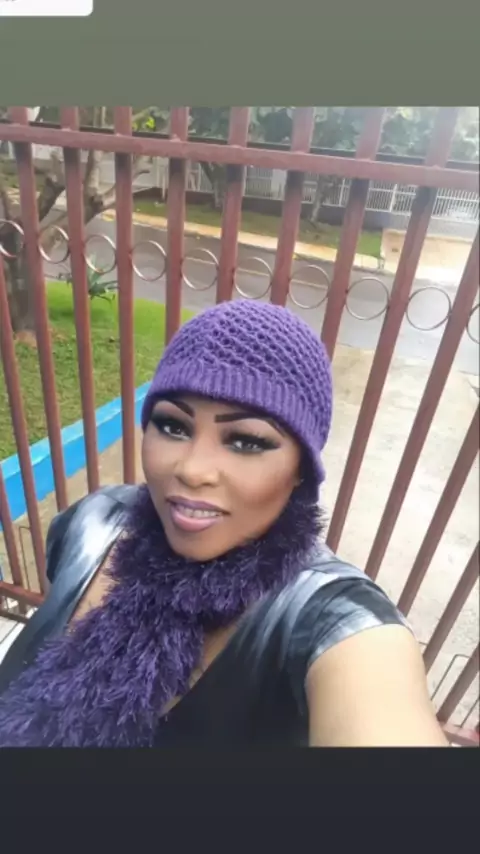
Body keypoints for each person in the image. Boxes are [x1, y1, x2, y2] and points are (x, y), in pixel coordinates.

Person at [0, 300, 447, 747]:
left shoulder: (332, 619)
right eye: (173, 426)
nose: (193, 470)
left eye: (246, 441)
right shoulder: (92, 523)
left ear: (301, 470)